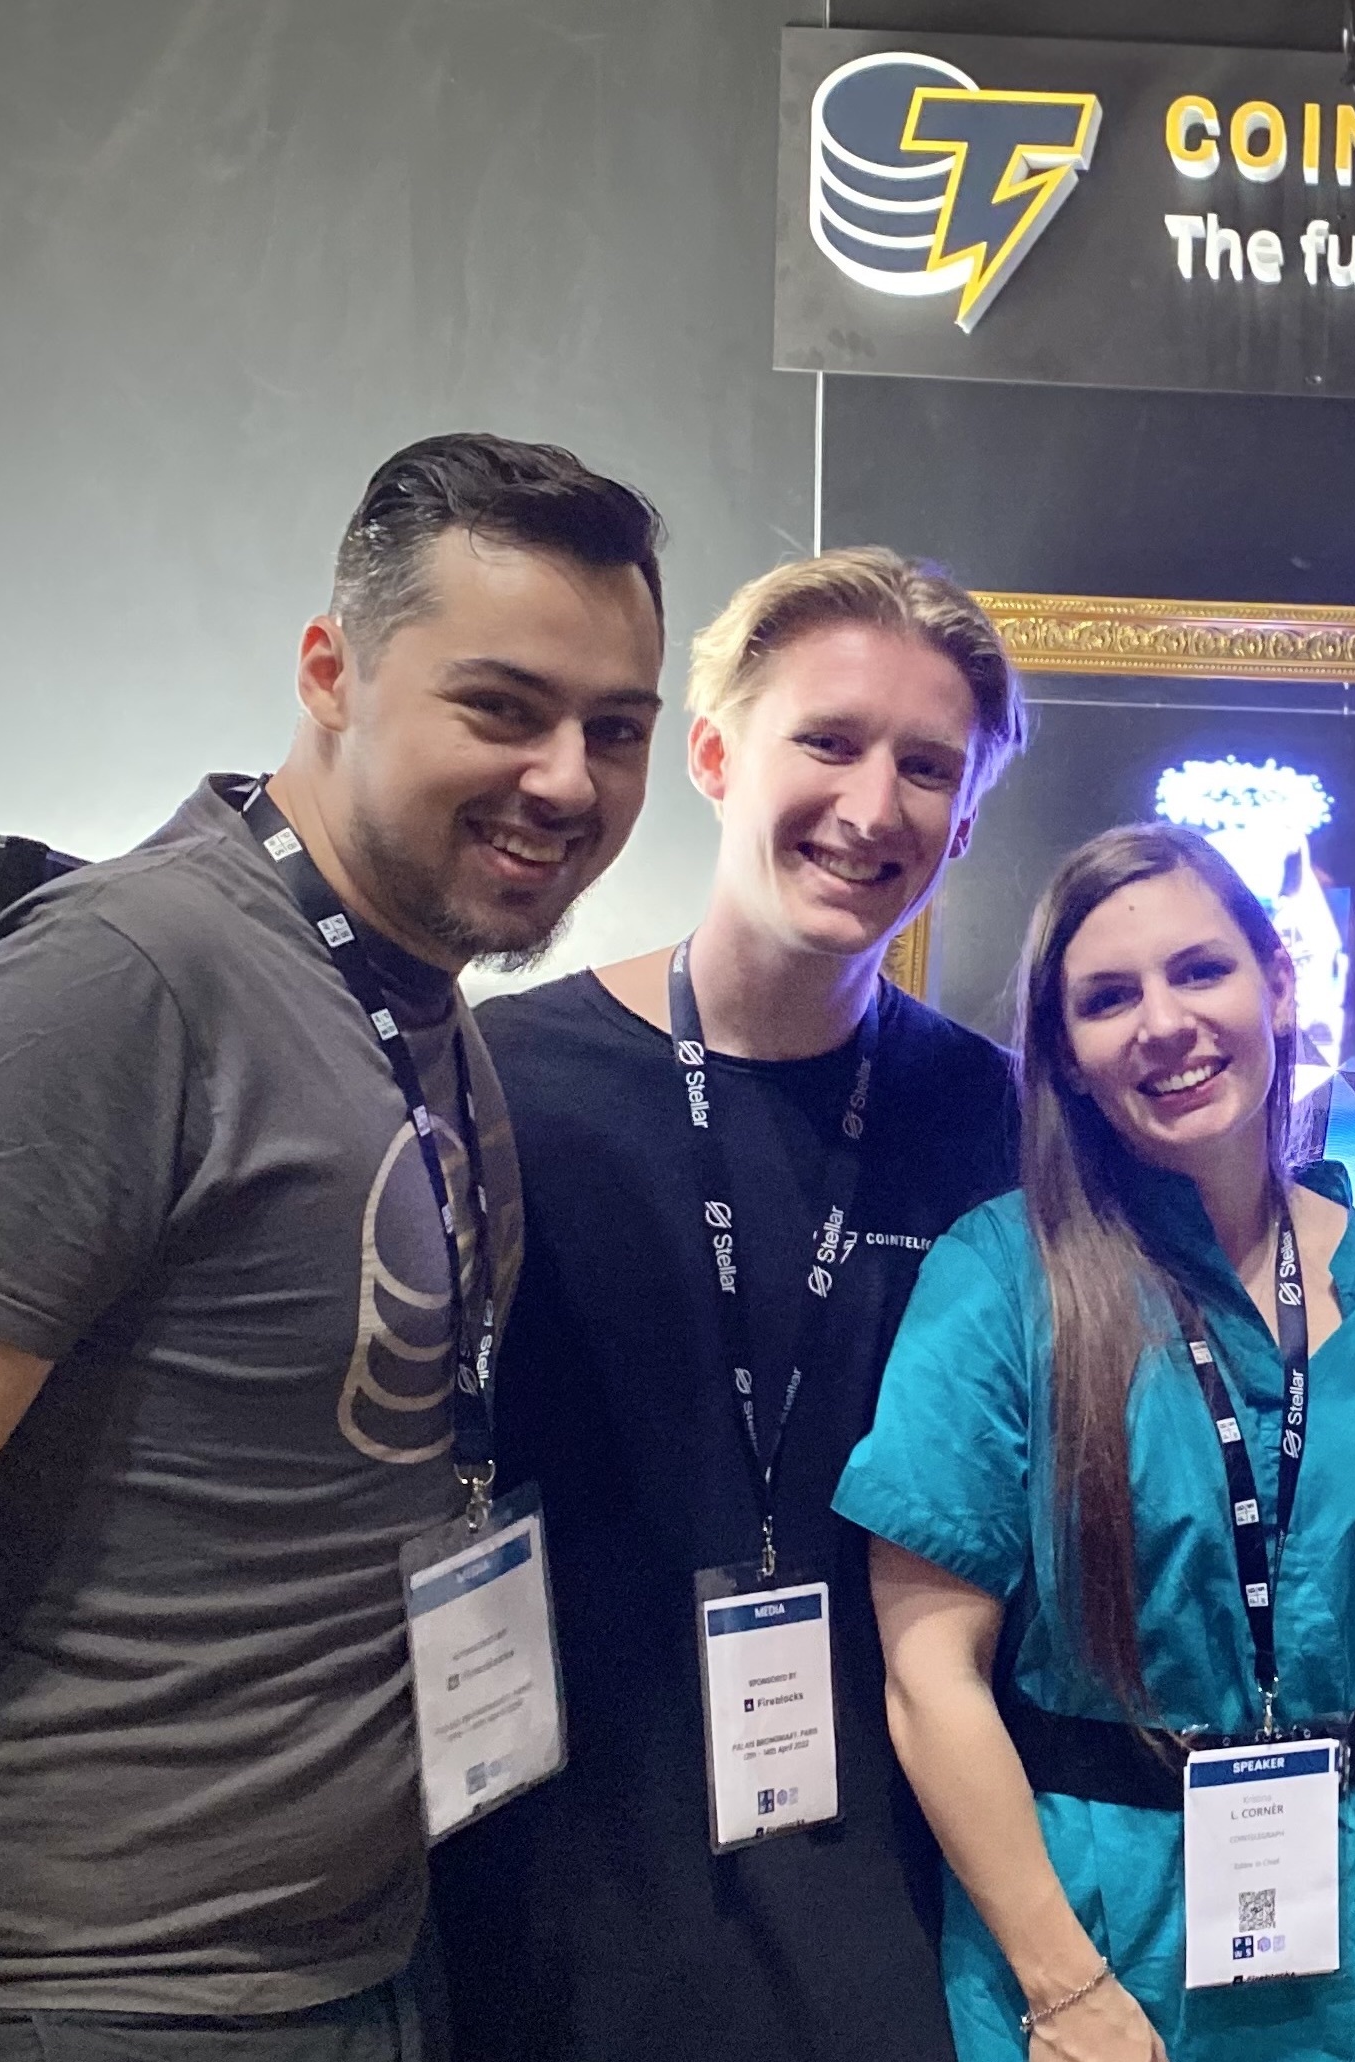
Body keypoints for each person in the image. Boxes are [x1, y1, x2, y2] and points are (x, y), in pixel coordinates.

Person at [0, 433, 669, 2062]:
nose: (568, 779)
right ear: (331, 672)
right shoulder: (121, 977)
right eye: (502, 707)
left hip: (347, 1969)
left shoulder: (414, 1010)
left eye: (615, 729)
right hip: (97, 1996)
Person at [428, 548, 1028, 2062]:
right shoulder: (494, 1077)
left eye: (927, 766)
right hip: (557, 1872)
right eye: (827, 740)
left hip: (886, 1879)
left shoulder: (997, 1119)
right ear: (713, 756)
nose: (873, 805)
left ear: (966, 818)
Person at [833, 822, 1355, 2062]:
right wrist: (1065, 1987)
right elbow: (928, 1675)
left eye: (1201, 970)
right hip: (1085, 1937)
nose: (1165, 1023)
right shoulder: (999, 1283)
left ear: (1279, 982)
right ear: (1066, 1053)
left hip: (1353, 1938)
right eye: (1108, 997)